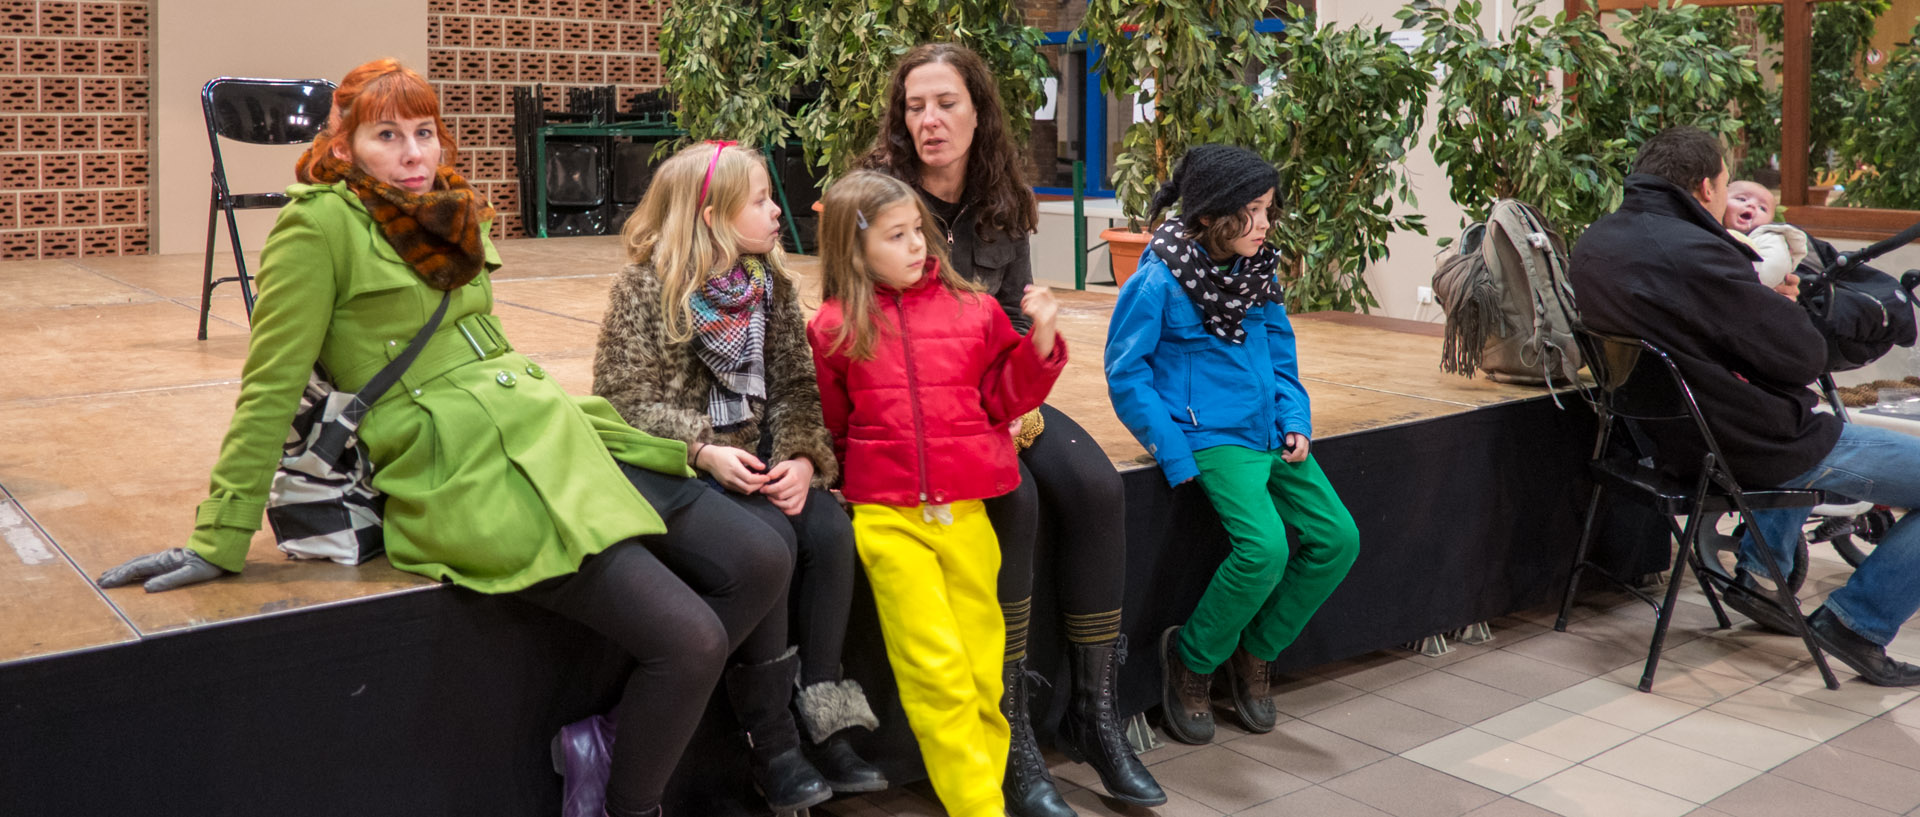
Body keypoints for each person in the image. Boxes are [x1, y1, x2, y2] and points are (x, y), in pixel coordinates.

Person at [92, 59, 795, 817]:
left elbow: (485, 342)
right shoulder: (319, 225)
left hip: (548, 423)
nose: (413, 152)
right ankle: (628, 803)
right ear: (344, 144)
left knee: (760, 556)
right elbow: (270, 386)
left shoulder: (448, 212)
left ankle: (618, 734)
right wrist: (218, 535)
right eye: (387, 134)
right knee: (688, 640)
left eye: (424, 131)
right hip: (467, 466)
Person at [857, 41, 1164, 814]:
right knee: (1017, 502)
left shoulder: (1002, 196)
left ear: (978, 111)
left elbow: (1019, 311)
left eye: (945, 103)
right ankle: (1014, 729)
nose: (928, 120)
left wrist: (1025, 378)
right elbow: (856, 326)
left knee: (1095, 486)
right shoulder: (877, 199)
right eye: (915, 106)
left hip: (997, 389)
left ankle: (1094, 714)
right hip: (921, 408)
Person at [1569, 125, 1920, 687]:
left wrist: (1759, 306)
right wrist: (1778, 306)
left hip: (1662, 439)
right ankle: (1859, 621)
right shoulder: (1696, 252)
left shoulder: (1598, 240)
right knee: (1812, 426)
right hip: (1742, 445)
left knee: (1800, 417)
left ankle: (1762, 576)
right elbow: (1803, 356)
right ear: (1706, 186)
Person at [592, 140, 885, 801]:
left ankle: (825, 719)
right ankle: (771, 740)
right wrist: (701, 447)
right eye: (758, 199)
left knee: (832, 534)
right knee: (771, 541)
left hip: (757, 458)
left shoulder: (769, 285)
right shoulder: (648, 287)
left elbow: (794, 386)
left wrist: (803, 458)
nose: (776, 210)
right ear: (712, 213)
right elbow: (621, 397)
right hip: (689, 466)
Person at [807, 170, 1067, 817]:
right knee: (937, 673)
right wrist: (842, 477)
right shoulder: (836, 328)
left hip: (969, 516)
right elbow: (833, 423)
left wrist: (1039, 340)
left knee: (983, 671)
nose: (917, 244)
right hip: (888, 522)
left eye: (918, 229)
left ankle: (986, 788)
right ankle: (979, 806)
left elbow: (1008, 395)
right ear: (854, 245)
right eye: (897, 235)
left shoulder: (973, 309)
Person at [1103, 144, 1362, 744]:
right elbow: (1126, 372)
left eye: (1269, 210)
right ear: (1214, 214)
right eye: (1254, 211)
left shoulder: (1259, 270)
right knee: (1265, 550)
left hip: (1271, 430)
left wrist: (1296, 418)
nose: (1267, 224)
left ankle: (1256, 650)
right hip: (1211, 438)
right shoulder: (1157, 281)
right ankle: (1192, 660)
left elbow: (1280, 350)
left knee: (1338, 538)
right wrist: (1173, 450)